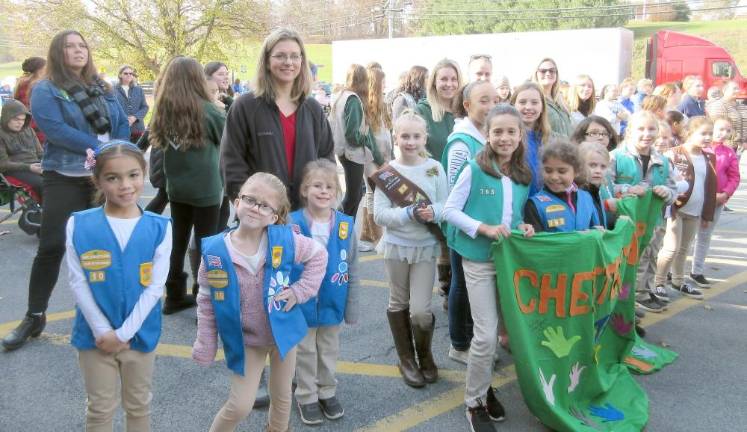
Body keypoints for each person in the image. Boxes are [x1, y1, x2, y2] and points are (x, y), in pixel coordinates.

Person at [2, 30, 129, 351]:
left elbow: (120, 123)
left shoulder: (102, 86)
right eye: (69, 47)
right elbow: (54, 130)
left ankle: (108, 316)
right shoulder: (46, 89)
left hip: (104, 177)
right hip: (64, 175)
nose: (77, 51)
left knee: (107, 247)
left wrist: (120, 150)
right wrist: (103, 148)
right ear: (58, 53)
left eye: (82, 45)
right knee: (52, 245)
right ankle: (34, 315)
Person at [192, 173, 328, 432]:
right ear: (236, 202)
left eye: (265, 205)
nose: (256, 207)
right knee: (240, 405)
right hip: (247, 340)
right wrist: (205, 341)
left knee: (282, 395)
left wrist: (300, 291)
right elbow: (206, 300)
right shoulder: (215, 252)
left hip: (283, 335)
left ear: (275, 216)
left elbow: (319, 255)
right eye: (250, 199)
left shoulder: (285, 241)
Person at [65, 141, 169, 432]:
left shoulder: (161, 227)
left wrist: (123, 333)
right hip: (94, 338)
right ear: (97, 180)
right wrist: (102, 331)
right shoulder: (78, 224)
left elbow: (155, 288)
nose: (125, 185)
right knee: (99, 410)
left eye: (133, 175)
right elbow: (78, 282)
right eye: (113, 177)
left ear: (144, 174)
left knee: (138, 406)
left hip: (139, 336)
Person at [443, 104, 534, 432]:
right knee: (484, 336)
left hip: (508, 262)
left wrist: (523, 226)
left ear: (520, 135)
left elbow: (514, 214)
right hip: (479, 260)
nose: (505, 137)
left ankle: (485, 387)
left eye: (511, 131)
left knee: (500, 335)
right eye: (498, 131)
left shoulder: (523, 175)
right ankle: (474, 403)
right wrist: (484, 228)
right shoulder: (474, 168)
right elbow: (450, 211)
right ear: (487, 134)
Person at [372, 110, 448, 389]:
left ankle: (425, 357)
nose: (411, 141)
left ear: (425, 137)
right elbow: (378, 214)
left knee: (420, 310)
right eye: (405, 136)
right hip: (396, 247)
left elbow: (446, 204)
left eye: (416, 136)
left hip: (425, 247)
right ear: (395, 137)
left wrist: (434, 212)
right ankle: (406, 359)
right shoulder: (388, 173)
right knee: (398, 302)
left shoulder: (435, 168)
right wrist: (408, 214)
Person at [221, 28, 334, 209]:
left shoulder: (313, 109)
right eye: (280, 56)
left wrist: (322, 199)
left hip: (305, 216)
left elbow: (326, 161)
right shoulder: (245, 107)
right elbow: (231, 164)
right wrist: (250, 205)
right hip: (259, 215)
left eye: (295, 56)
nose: (288, 62)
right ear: (266, 61)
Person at [148, 56, 225, 314]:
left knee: (178, 241)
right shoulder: (209, 110)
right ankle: (204, 299)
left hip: (177, 187)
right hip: (205, 188)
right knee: (207, 244)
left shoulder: (163, 110)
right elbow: (226, 143)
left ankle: (173, 295)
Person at [290, 160, 360, 425]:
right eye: (316, 185)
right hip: (301, 303)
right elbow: (281, 265)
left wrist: (351, 306)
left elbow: (353, 267)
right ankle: (306, 395)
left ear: (337, 192)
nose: (323, 191)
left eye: (329, 186)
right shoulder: (291, 223)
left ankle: (327, 391)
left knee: (329, 350)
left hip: (333, 302)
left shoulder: (345, 225)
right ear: (305, 190)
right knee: (305, 350)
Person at [440, 80, 497, 364]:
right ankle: (459, 344)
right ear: (467, 105)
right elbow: (453, 192)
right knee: (460, 285)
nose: (490, 106)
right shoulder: (462, 142)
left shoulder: (489, 136)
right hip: (465, 230)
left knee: (476, 288)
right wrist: (473, 225)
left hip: (484, 230)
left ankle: (475, 340)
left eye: (494, 100)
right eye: (483, 100)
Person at [609, 111, 679, 312]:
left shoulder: (662, 161)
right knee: (626, 262)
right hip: (624, 221)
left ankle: (643, 293)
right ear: (630, 131)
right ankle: (622, 302)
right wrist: (627, 190)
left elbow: (673, 189)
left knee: (649, 255)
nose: (646, 134)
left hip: (652, 221)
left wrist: (666, 192)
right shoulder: (616, 157)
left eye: (651, 129)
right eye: (641, 129)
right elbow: (605, 187)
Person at [654, 116, 717, 301]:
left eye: (710, 134)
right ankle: (658, 282)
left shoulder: (708, 156)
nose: (707, 137)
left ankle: (678, 281)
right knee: (671, 248)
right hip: (676, 209)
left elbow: (710, 185)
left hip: (695, 211)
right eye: (703, 133)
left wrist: (707, 213)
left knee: (683, 249)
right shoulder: (674, 153)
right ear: (689, 133)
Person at [690, 116, 740, 287]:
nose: (723, 134)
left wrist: (725, 194)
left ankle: (697, 270)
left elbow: (734, 176)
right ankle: (673, 272)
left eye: (727, 130)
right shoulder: (700, 149)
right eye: (719, 129)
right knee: (686, 236)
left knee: (705, 235)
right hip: (696, 198)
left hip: (717, 200)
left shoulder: (729, 152)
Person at [330, 64, 379, 219]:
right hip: (352, 152)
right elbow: (352, 134)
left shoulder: (340, 96)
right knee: (353, 196)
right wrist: (366, 139)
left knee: (356, 195)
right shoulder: (353, 100)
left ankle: (345, 232)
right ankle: (336, 227)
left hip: (342, 150)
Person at [524, 139, 601, 232]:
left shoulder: (587, 198)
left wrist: (596, 230)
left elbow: (596, 230)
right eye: (548, 171)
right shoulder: (535, 204)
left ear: (576, 171)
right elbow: (538, 243)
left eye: (562, 171)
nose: (554, 177)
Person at [510, 81, 554, 196]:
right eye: (522, 102)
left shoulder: (548, 139)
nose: (528, 107)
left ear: (542, 107)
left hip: (542, 205)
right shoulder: (509, 139)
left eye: (534, 102)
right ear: (513, 105)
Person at [416, 59, 463, 162]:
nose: (449, 84)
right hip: (432, 175)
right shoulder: (421, 111)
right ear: (434, 83)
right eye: (444, 79)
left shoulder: (465, 112)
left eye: (454, 79)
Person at [0, 98, 43, 199]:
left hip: (35, 165)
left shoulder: (28, 129)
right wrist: (29, 167)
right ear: (7, 118)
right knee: (43, 184)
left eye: (23, 119)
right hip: (14, 170)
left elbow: (40, 153)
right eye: (16, 119)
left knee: (60, 179)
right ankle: (47, 212)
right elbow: (2, 164)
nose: (20, 123)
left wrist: (48, 162)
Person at [578, 141, 616, 229]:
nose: (598, 171)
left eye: (603, 167)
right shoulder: (578, 194)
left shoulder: (596, 190)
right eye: (592, 165)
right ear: (579, 165)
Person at [531, 58, 572, 137]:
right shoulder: (534, 100)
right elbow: (536, 131)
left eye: (552, 70)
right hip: (549, 148)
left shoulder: (561, 101)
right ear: (536, 74)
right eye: (543, 71)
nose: (548, 73)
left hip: (569, 148)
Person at [707, 80, 747, 155]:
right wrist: (737, 141)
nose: (737, 91)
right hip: (724, 145)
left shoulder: (741, 106)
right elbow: (718, 127)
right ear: (725, 90)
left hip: (739, 147)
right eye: (734, 88)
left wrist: (744, 141)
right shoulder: (719, 105)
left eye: (738, 89)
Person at [12, 56, 46, 144]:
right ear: (40, 70)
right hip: (37, 128)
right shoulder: (38, 86)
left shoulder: (20, 84)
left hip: (23, 127)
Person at [114, 65, 148, 142]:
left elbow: (145, 107)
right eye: (126, 73)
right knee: (123, 153)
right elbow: (111, 108)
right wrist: (124, 119)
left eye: (131, 73)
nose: (129, 75)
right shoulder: (113, 90)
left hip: (137, 129)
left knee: (137, 153)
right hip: (120, 129)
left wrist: (135, 117)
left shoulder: (139, 90)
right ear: (120, 75)